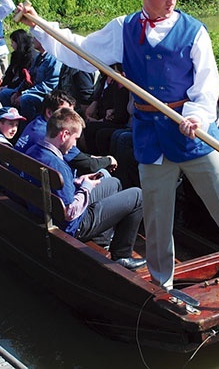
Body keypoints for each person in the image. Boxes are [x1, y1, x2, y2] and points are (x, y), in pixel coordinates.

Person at [17, 0, 219, 289]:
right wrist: (40, 24)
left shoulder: (195, 32)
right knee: (158, 220)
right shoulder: (123, 29)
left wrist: (195, 116)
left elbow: (207, 87)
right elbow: (82, 52)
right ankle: (163, 288)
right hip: (150, 137)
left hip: (194, 134)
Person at [24, 108, 145, 270]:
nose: (75, 144)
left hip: (45, 210)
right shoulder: (57, 165)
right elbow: (70, 213)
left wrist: (77, 182)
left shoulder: (34, 151)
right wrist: (86, 188)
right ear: (64, 134)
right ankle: (122, 256)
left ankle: (101, 241)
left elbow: (54, 189)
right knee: (137, 196)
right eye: (75, 139)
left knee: (114, 183)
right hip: (73, 225)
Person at [15, 89, 118, 176]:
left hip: (21, 183)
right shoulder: (51, 135)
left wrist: (97, 158)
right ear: (49, 112)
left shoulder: (36, 124)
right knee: (105, 175)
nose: (70, 118)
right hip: (38, 191)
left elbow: (80, 157)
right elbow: (86, 164)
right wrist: (108, 160)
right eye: (65, 113)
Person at [7, 35, 61, 121]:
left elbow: (49, 86)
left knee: (26, 99)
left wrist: (25, 93)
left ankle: (26, 128)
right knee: (6, 94)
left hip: (45, 96)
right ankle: (9, 123)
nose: (32, 40)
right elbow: (28, 77)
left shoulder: (54, 60)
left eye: (36, 38)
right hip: (32, 91)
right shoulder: (38, 57)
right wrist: (17, 91)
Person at [83, 65, 131, 155]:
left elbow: (121, 114)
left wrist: (102, 120)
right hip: (109, 117)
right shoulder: (106, 80)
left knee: (101, 134)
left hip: (121, 122)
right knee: (89, 127)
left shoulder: (122, 85)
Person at [0, 29, 38, 106]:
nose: (11, 45)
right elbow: (9, 73)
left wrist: (8, 87)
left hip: (23, 86)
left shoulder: (31, 57)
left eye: (12, 42)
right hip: (14, 84)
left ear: (18, 42)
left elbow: (25, 78)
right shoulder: (15, 55)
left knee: (4, 93)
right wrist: (2, 85)